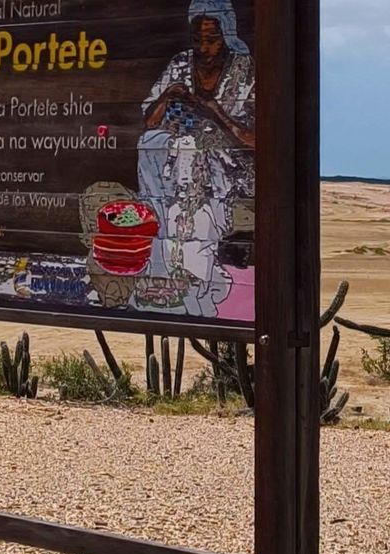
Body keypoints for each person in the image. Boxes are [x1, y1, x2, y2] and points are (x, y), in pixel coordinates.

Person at [135, 0, 255, 317]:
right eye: (198, 39)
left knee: (194, 170)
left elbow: (256, 138)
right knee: (150, 143)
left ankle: (197, 279)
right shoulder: (180, 64)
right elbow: (149, 121)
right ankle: (165, 262)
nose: (204, 48)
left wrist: (216, 113)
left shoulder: (244, 69)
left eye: (212, 39)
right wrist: (168, 96)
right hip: (179, 160)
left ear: (227, 34)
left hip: (228, 165)